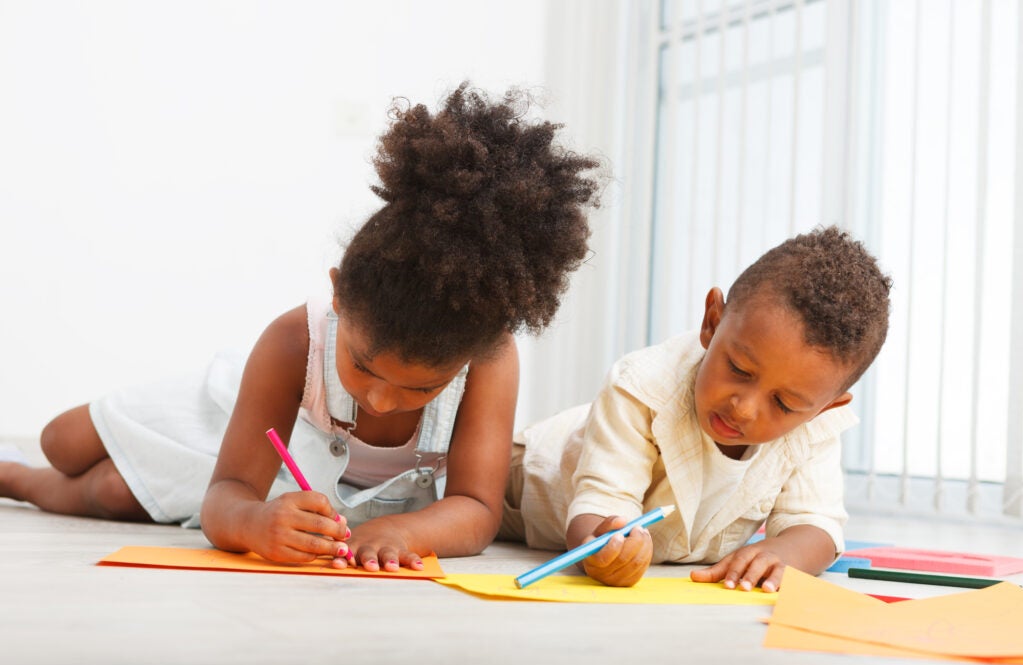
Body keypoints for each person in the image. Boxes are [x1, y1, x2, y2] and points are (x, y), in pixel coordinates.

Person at [0, 82, 602, 572]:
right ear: (337, 293)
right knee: (62, 441)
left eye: (420, 388)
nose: (379, 398)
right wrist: (253, 520)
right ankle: (23, 465)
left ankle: (20, 483)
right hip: (244, 426)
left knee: (110, 493)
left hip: (302, 488)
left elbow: (475, 509)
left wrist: (403, 530)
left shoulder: (489, 358)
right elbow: (229, 491)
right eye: (363, 366)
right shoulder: (295, 340)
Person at [499, 225, 892, 591]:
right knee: (464, 499)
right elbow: (600, 502)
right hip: (525, 478)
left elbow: (817, 524)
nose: (744, 408)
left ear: (823, 409)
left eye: (784, 404)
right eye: (738, 368)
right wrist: (605, 549)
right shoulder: (641, 386)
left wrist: (782, 554)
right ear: (712, 321)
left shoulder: (815, 427)